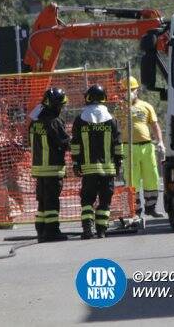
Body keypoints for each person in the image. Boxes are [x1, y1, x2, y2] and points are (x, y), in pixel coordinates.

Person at [71, 84, 123, 239]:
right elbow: (117, 145)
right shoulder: (112, 120)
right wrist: (118, 164)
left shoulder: (80, 120)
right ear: (104, 98)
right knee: (105, 200)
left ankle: (87, 229)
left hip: (88, 170)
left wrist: (76, 164)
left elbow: (75, 144)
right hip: (108, 169)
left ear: (88, 98)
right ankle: (101, 231)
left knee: (87, 200)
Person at [29, 88, 71, 242]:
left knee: (42, 201)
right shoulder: (54, 122)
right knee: (52, 201)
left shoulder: (35, 121)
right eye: (61, 105)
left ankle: (41, 229)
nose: (61, 109)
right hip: (52, 168)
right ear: (54, 105)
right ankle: (52, 232)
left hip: (39, 169)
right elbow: (63, 142)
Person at [120, 76, 165, 219]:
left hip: (146, 147)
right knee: (131, 179)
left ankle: (151, 208)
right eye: (126, 90)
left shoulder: (146, 106)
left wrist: (160, 142)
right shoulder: (119, 108)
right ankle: (135, 210)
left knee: (151, 177)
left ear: (137, 90)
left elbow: (154, 125)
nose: (129, 92)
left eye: (131, 90)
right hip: (128, 148)